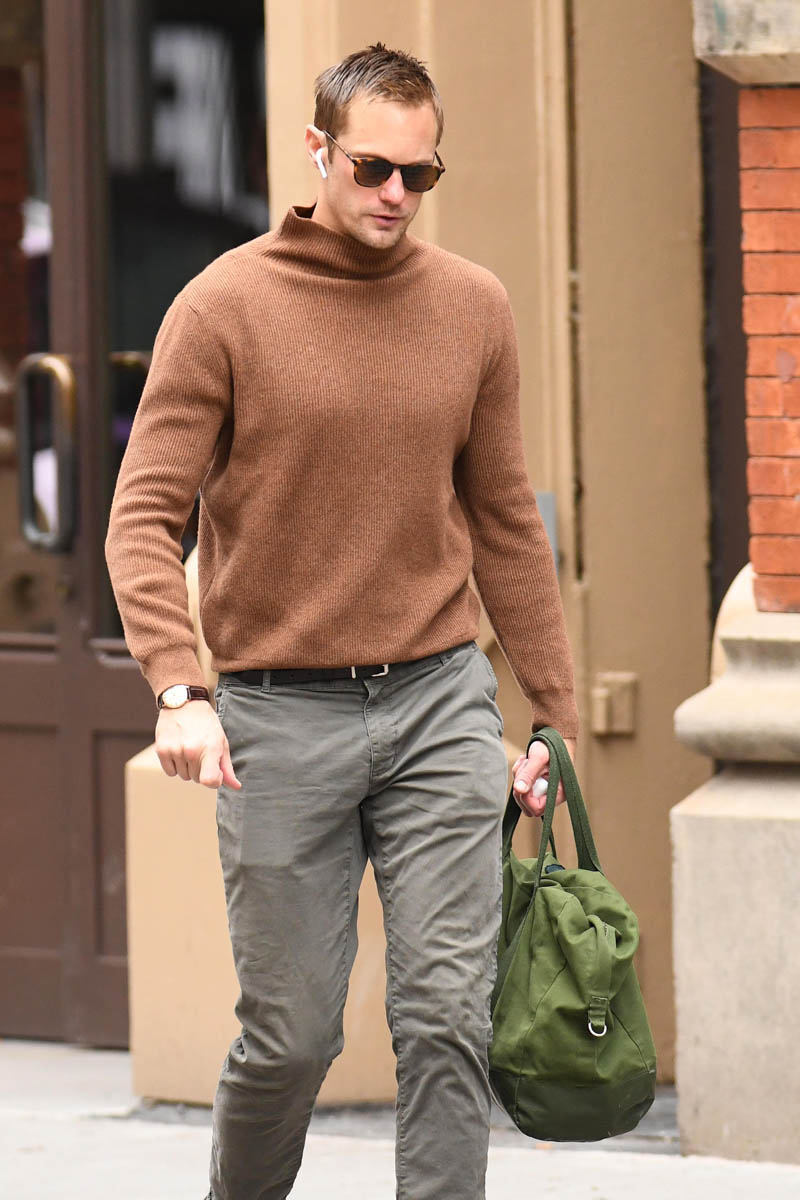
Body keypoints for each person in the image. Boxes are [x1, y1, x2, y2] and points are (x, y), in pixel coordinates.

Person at [106, 42, 578, 1200]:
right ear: (318, 150)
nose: (395, 195)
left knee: (447, 1019)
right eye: (373, 168)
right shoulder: (222, 307)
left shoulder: (471, 307)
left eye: (421, 175)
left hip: (436, 699)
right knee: (292, 1036)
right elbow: (142, 518)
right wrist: (179, 688)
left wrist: (551, 714)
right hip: (276, 716)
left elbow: (503, 522)